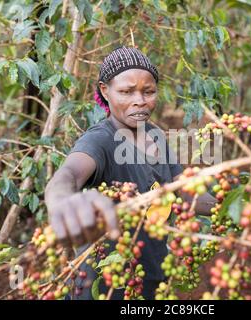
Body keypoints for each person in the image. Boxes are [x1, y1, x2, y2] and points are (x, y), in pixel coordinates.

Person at [44, 46, 216, 299]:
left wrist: (232, 206)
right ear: (105, 90)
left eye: (149, 92)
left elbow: (182, 194)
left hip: (152, 278)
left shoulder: (155, 134)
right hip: (105, 287)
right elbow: (68, 174)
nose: (140, 100)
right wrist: (62, 201)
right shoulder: (100, 139)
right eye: (126, 91)